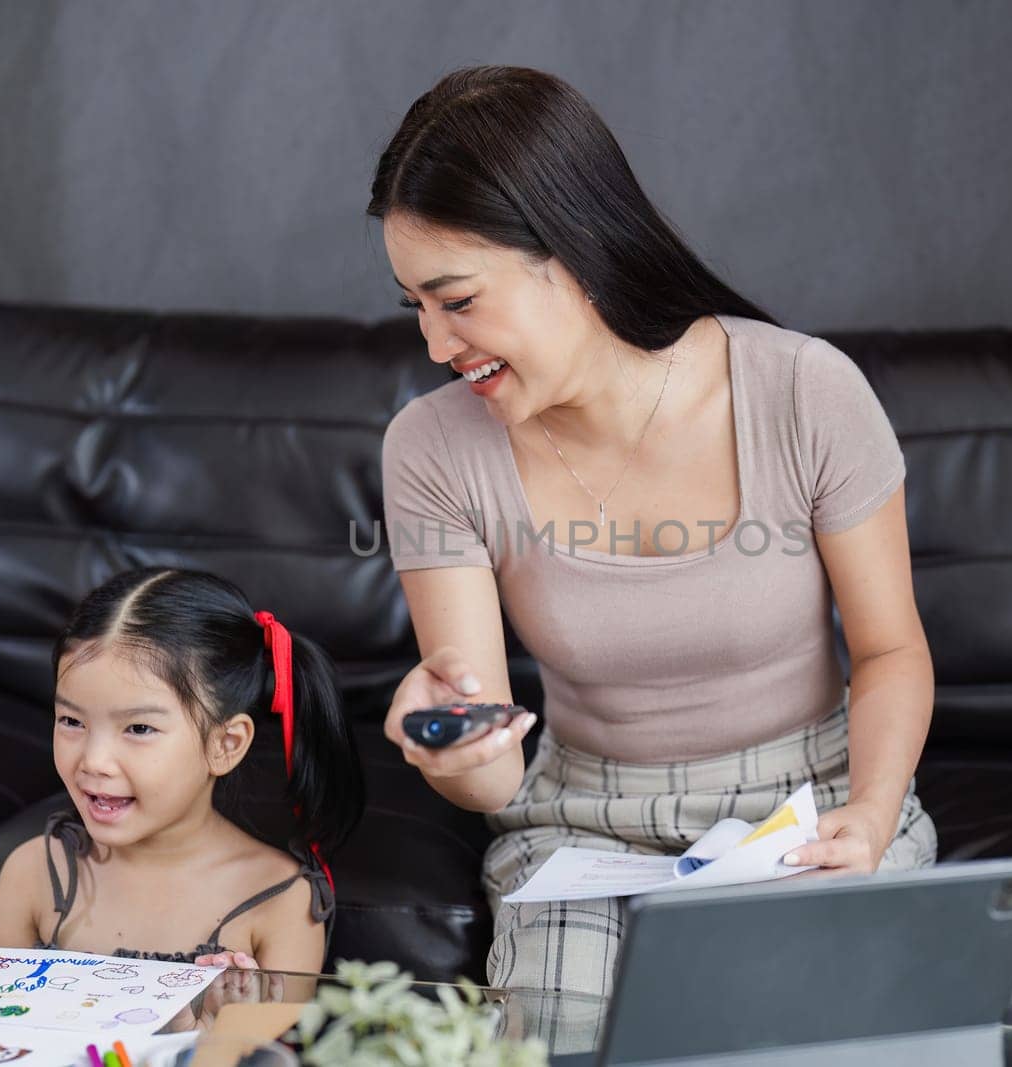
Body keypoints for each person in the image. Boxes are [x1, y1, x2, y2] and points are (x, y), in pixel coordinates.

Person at [370, 65, 939, 1005]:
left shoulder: (804, 391)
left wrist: (871, 815)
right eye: (416, 307)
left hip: (813, 792)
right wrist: (455, 756)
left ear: (571, 252)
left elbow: (890, 649)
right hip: (587, 822)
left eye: (458, 300)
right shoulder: (431, 447)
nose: (434, 344)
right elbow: (493, 765)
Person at [0, 567, 364, 978]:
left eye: (139, 728)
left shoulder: (280, 902)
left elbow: (261, 1052)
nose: (93, 761)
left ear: (225, 744)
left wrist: (217, 1028)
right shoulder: (34, 873)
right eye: (72, 721)